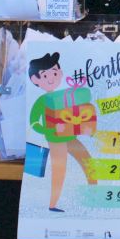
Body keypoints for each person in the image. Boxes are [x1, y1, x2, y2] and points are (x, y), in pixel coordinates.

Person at [26, 52, 96, 211]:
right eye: (45, 75)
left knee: (87, 161)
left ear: (61, 73)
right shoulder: (42, 100)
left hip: (70, 137)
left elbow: (76, 114)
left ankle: (94, 195)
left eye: (55, 73)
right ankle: (53, 204)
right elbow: (34, 122)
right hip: (55, 140)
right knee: (59, 169)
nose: (51, 78)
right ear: (35, 79)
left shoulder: (65, 95)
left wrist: (84, 127)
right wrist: (49, 129)